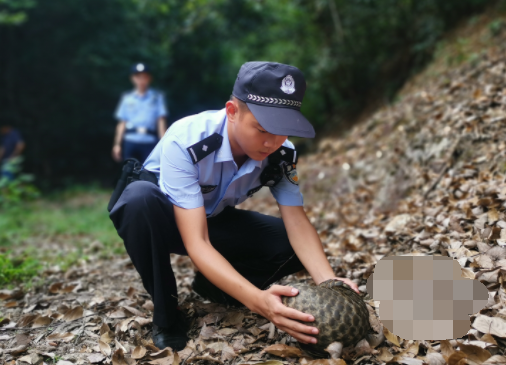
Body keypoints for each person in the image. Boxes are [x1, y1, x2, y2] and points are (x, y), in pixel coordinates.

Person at [109, 62, 359, 351]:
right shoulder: (188, 139)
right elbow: (196, 242)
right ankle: (167, 316)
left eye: (282, 131)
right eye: (262, 129)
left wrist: (330, 284)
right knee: (138, 199)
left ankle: (217, 287)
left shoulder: (282, 153)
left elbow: (297, 223)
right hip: (163, 221)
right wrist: (259, 302)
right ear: (232, 111)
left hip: (213, 219)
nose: (271, 142)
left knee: (287, 244)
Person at [112, 63, 168, 163]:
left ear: (149, 78)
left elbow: (161, 122)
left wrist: (164, 144)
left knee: (147, 174)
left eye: (144, 77)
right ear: (132, 78)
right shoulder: (127, 98)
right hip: (130, 140)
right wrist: (117, 144)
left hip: (149, 141)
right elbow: (122, 123)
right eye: (138, 77)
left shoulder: (156, 98)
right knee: (128, 174)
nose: (141, 80)